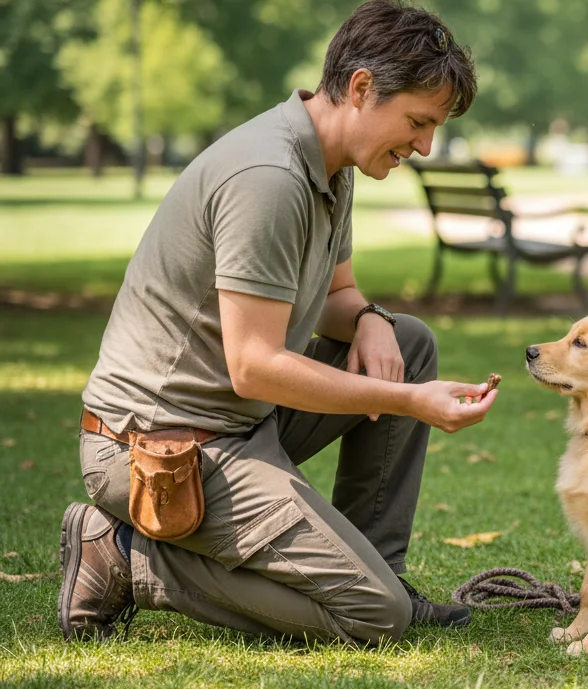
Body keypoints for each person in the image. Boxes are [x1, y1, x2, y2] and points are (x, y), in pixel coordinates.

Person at [61, 0, 498, 646]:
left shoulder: (331, 164)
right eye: (417, 121)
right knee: (375, 617)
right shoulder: (268, 177)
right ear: (359, 89)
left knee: (410, 341)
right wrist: (408, 400)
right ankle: (125, 556)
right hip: (158, 449)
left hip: (238, 423)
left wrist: (372, 319)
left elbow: (336, 294)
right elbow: (255, 365)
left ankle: (380, 567)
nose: (424, 146)